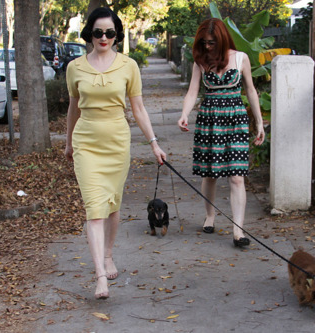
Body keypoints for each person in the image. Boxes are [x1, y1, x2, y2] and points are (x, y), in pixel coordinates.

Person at [64, 7, 166, 300]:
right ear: (89, 34)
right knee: (94, 209)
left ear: (117, 34)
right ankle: (99, 277)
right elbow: (73, 108)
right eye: (98, 32)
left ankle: (108, 254)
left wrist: (154, 143)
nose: (104, 37)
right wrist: (69, 143)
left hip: (117, 142)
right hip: (87, 143)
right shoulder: (75, 67)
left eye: (109, 32)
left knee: (112, 205)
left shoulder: (128, 66)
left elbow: (138, 108)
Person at [177, 18, 265, 248]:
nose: (208, 47)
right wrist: (184, 113)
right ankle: (210, 215)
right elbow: (192, 91)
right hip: (210, 119)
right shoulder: (200, 62)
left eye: (212, 42)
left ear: (222, 39)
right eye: (204, 42)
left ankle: (238, 231)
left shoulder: (241, 58)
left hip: (236, 120)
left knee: (236, 176)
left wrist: (259, 123)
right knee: (211, 174)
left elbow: (251, 90)